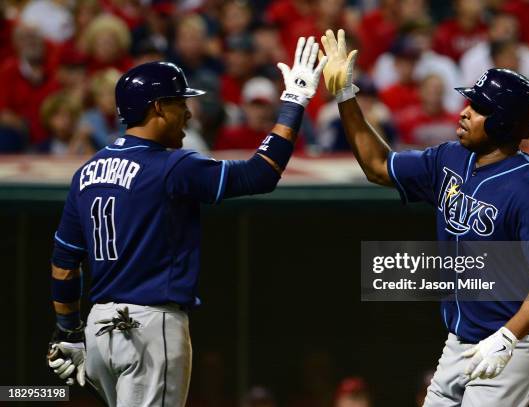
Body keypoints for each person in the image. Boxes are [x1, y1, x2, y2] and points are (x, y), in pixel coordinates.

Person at [46, 38, 327, 406]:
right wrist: (293, 104)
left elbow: (64, 266)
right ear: (158, 107)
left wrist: (68, 331)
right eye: (181, 103)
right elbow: (261, 174)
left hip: (100, 333)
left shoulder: (86, 173)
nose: (189, 114)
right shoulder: (171, 166)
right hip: (149, 325)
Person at [319, 29, 529, 406]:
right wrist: (345, 95)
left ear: (505, 123)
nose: (465, 111)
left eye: (479, 107)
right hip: (461, 339)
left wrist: (507, 338)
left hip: (521, 344)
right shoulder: (450, 158)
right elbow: (377, 166)